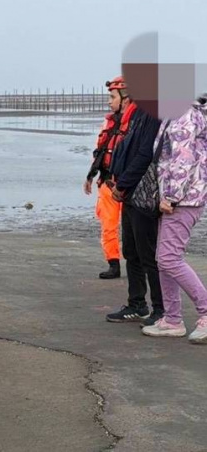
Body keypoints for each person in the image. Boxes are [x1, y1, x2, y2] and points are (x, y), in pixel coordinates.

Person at [142, 95, 207, 343]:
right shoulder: (175, 113)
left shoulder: (184, 115)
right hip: (178, 198)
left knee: (168, 258)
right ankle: (172, 319)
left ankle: (204, 312)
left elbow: (183, 160)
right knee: (164, 259)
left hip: (183, 199)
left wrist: (171, 196)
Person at [105, 77, 164, 326]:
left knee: (148, 254)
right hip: (130, 192)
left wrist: (123, 183)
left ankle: (161, 310)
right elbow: (128, 149)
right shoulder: (138, 112)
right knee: (132, 251)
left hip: (142, 192)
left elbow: (145, 154)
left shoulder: (152, 112)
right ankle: (137, 304)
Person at [84, 77, 135, 279]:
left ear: (126, 99)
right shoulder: (109, 122)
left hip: (129, 184)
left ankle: (139, 264)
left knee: (135, 228)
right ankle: (113, 263)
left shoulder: (138, 123)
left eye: (112, 97)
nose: (109, 101)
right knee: (108, 225)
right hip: (107, 181)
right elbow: (101, 150)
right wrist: (90, 175)